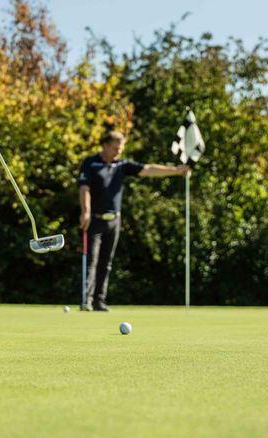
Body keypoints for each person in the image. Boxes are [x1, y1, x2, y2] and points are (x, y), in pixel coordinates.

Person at [77, 131, 189, 311]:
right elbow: (84, 188)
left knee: (106, 262)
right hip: (94, 221)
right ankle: (86, 301)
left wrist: (176, 170)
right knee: (91, 261)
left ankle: (99, 301)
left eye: (120, 148)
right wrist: (86, 211)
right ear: (105, 145)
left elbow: (148, 169)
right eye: (115, 148)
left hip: (114, 220)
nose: (118, 151)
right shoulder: (90, 163)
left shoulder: (121, 164)